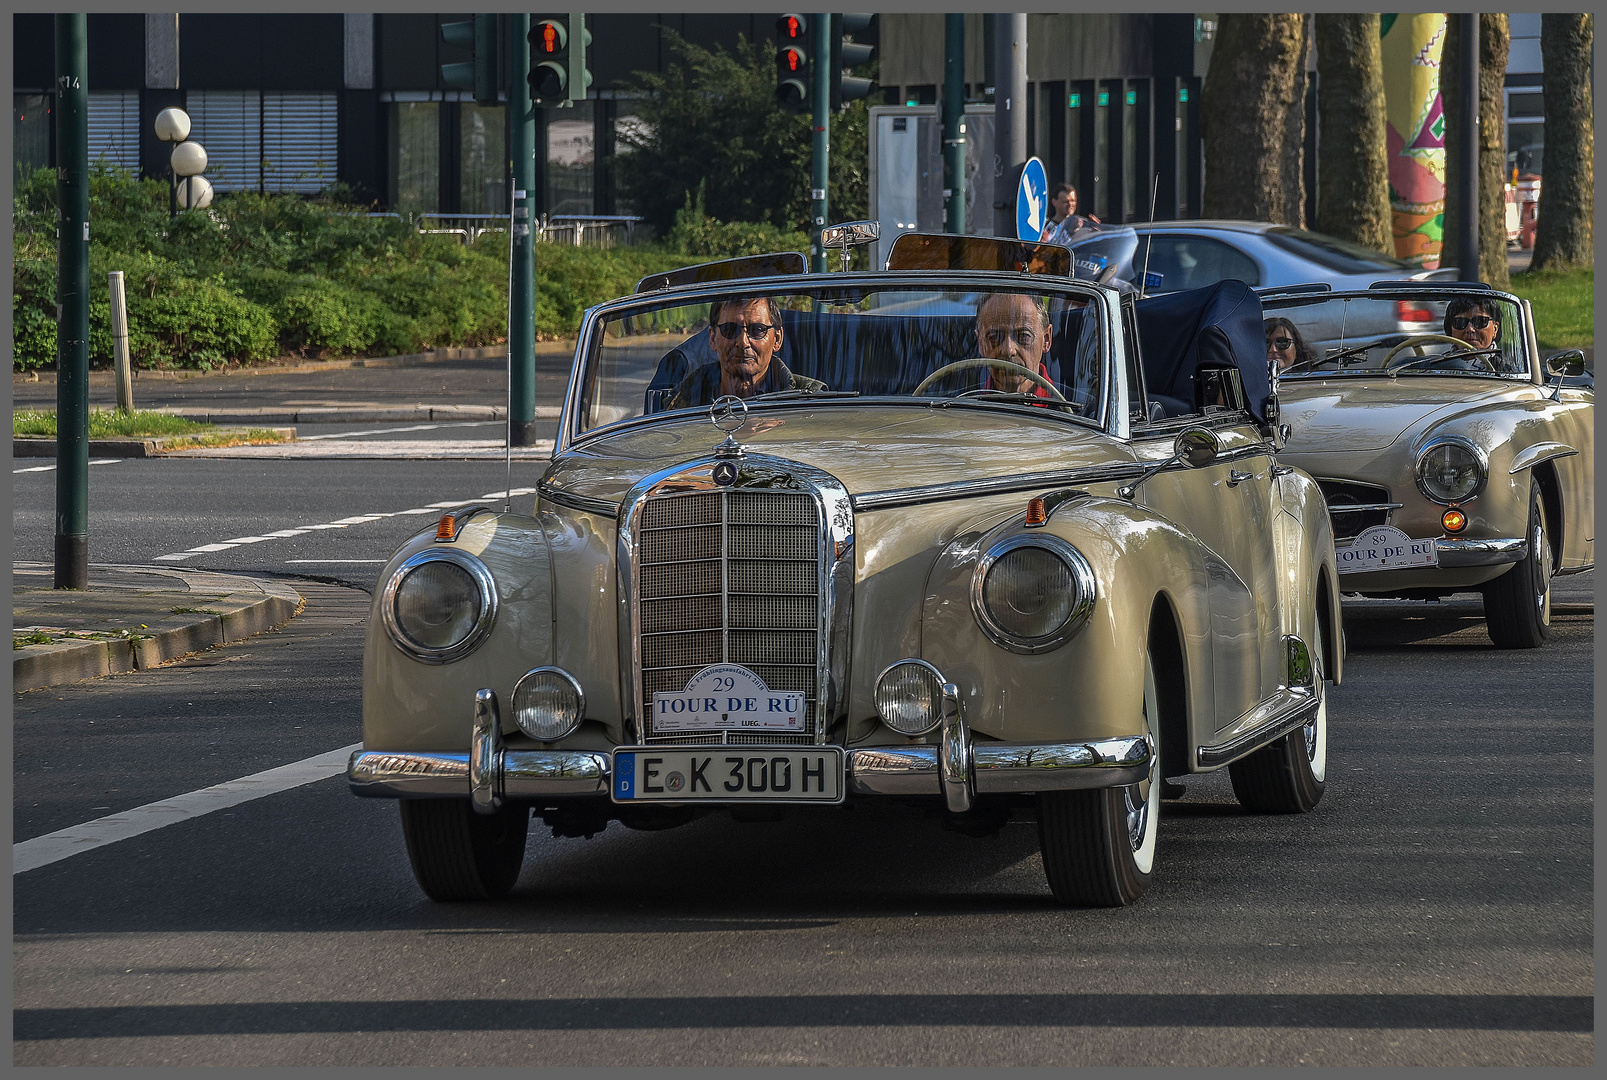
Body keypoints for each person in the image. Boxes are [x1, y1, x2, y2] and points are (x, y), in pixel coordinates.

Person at [667, 297, 825, 409]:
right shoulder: (681, 400)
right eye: (729, 329)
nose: (742, 342)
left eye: (757, 330)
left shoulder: (811, 400)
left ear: (777, 339)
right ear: (713, 338)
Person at [975, 292, 1056, 400]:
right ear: (980, 343)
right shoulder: (958, 405)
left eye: (1023, 336)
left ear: (1046, 339)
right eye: (994, 337)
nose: (1008, 350)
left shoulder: (1077, 409)